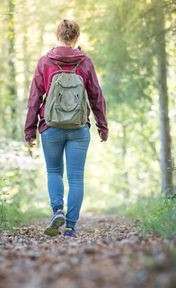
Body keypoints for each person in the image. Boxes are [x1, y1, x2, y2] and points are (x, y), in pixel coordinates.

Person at [24, 19, 108, 238]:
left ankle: (57, 211)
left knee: (54, 172)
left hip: (50, 126)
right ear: (76, 37)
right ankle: (70, 227)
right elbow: (96, 96)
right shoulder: (85, 62)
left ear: (57, 35)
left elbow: (35, 97)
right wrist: (102, 126)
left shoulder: (45, 62)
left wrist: (30, 130)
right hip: (79, 128)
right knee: (76, 178)